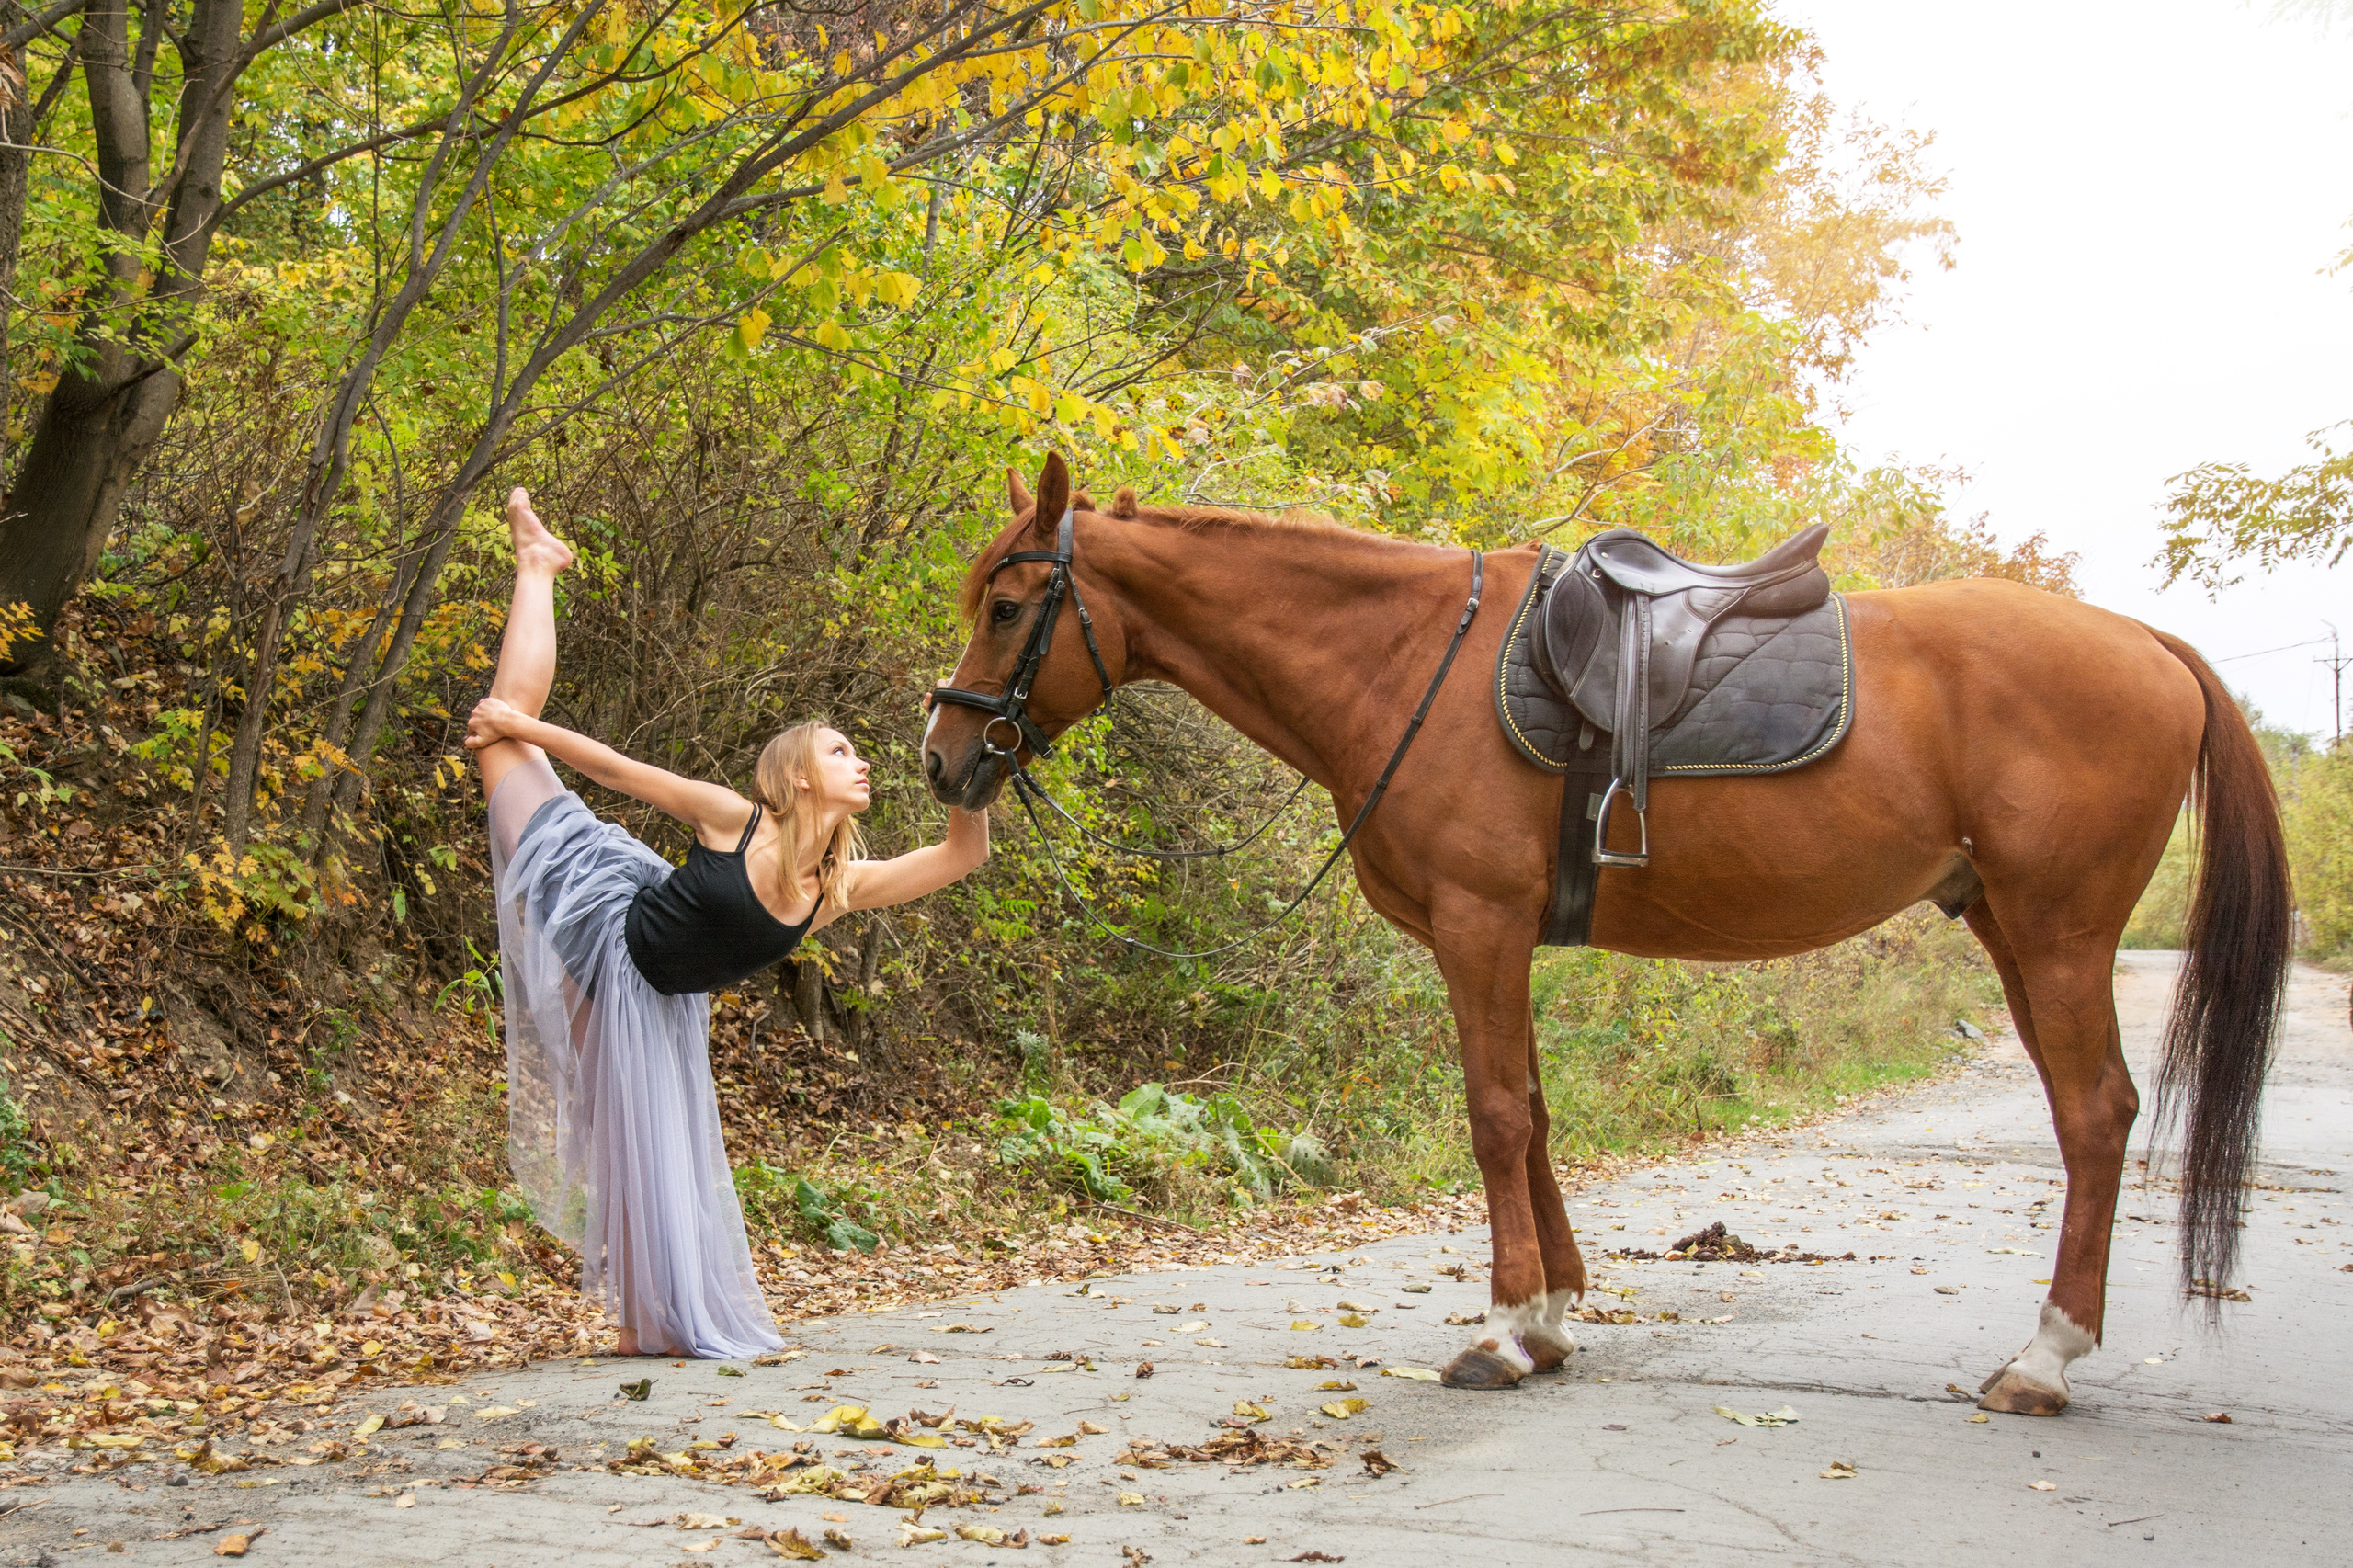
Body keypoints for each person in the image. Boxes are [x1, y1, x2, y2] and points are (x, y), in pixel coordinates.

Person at [463, 486, 989, 1358]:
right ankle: (538, 566)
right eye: (840, 751)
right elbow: (627, 772)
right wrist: (527, 725)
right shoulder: (737, 820)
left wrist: (976, 776)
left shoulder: (834, 888)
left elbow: (958, 857)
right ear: (797, 776)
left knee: (636, 1150)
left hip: (659, 1003)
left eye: (857, 751)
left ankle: (643, 1323)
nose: (860, 763)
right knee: (498, 745)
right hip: (607, 915)